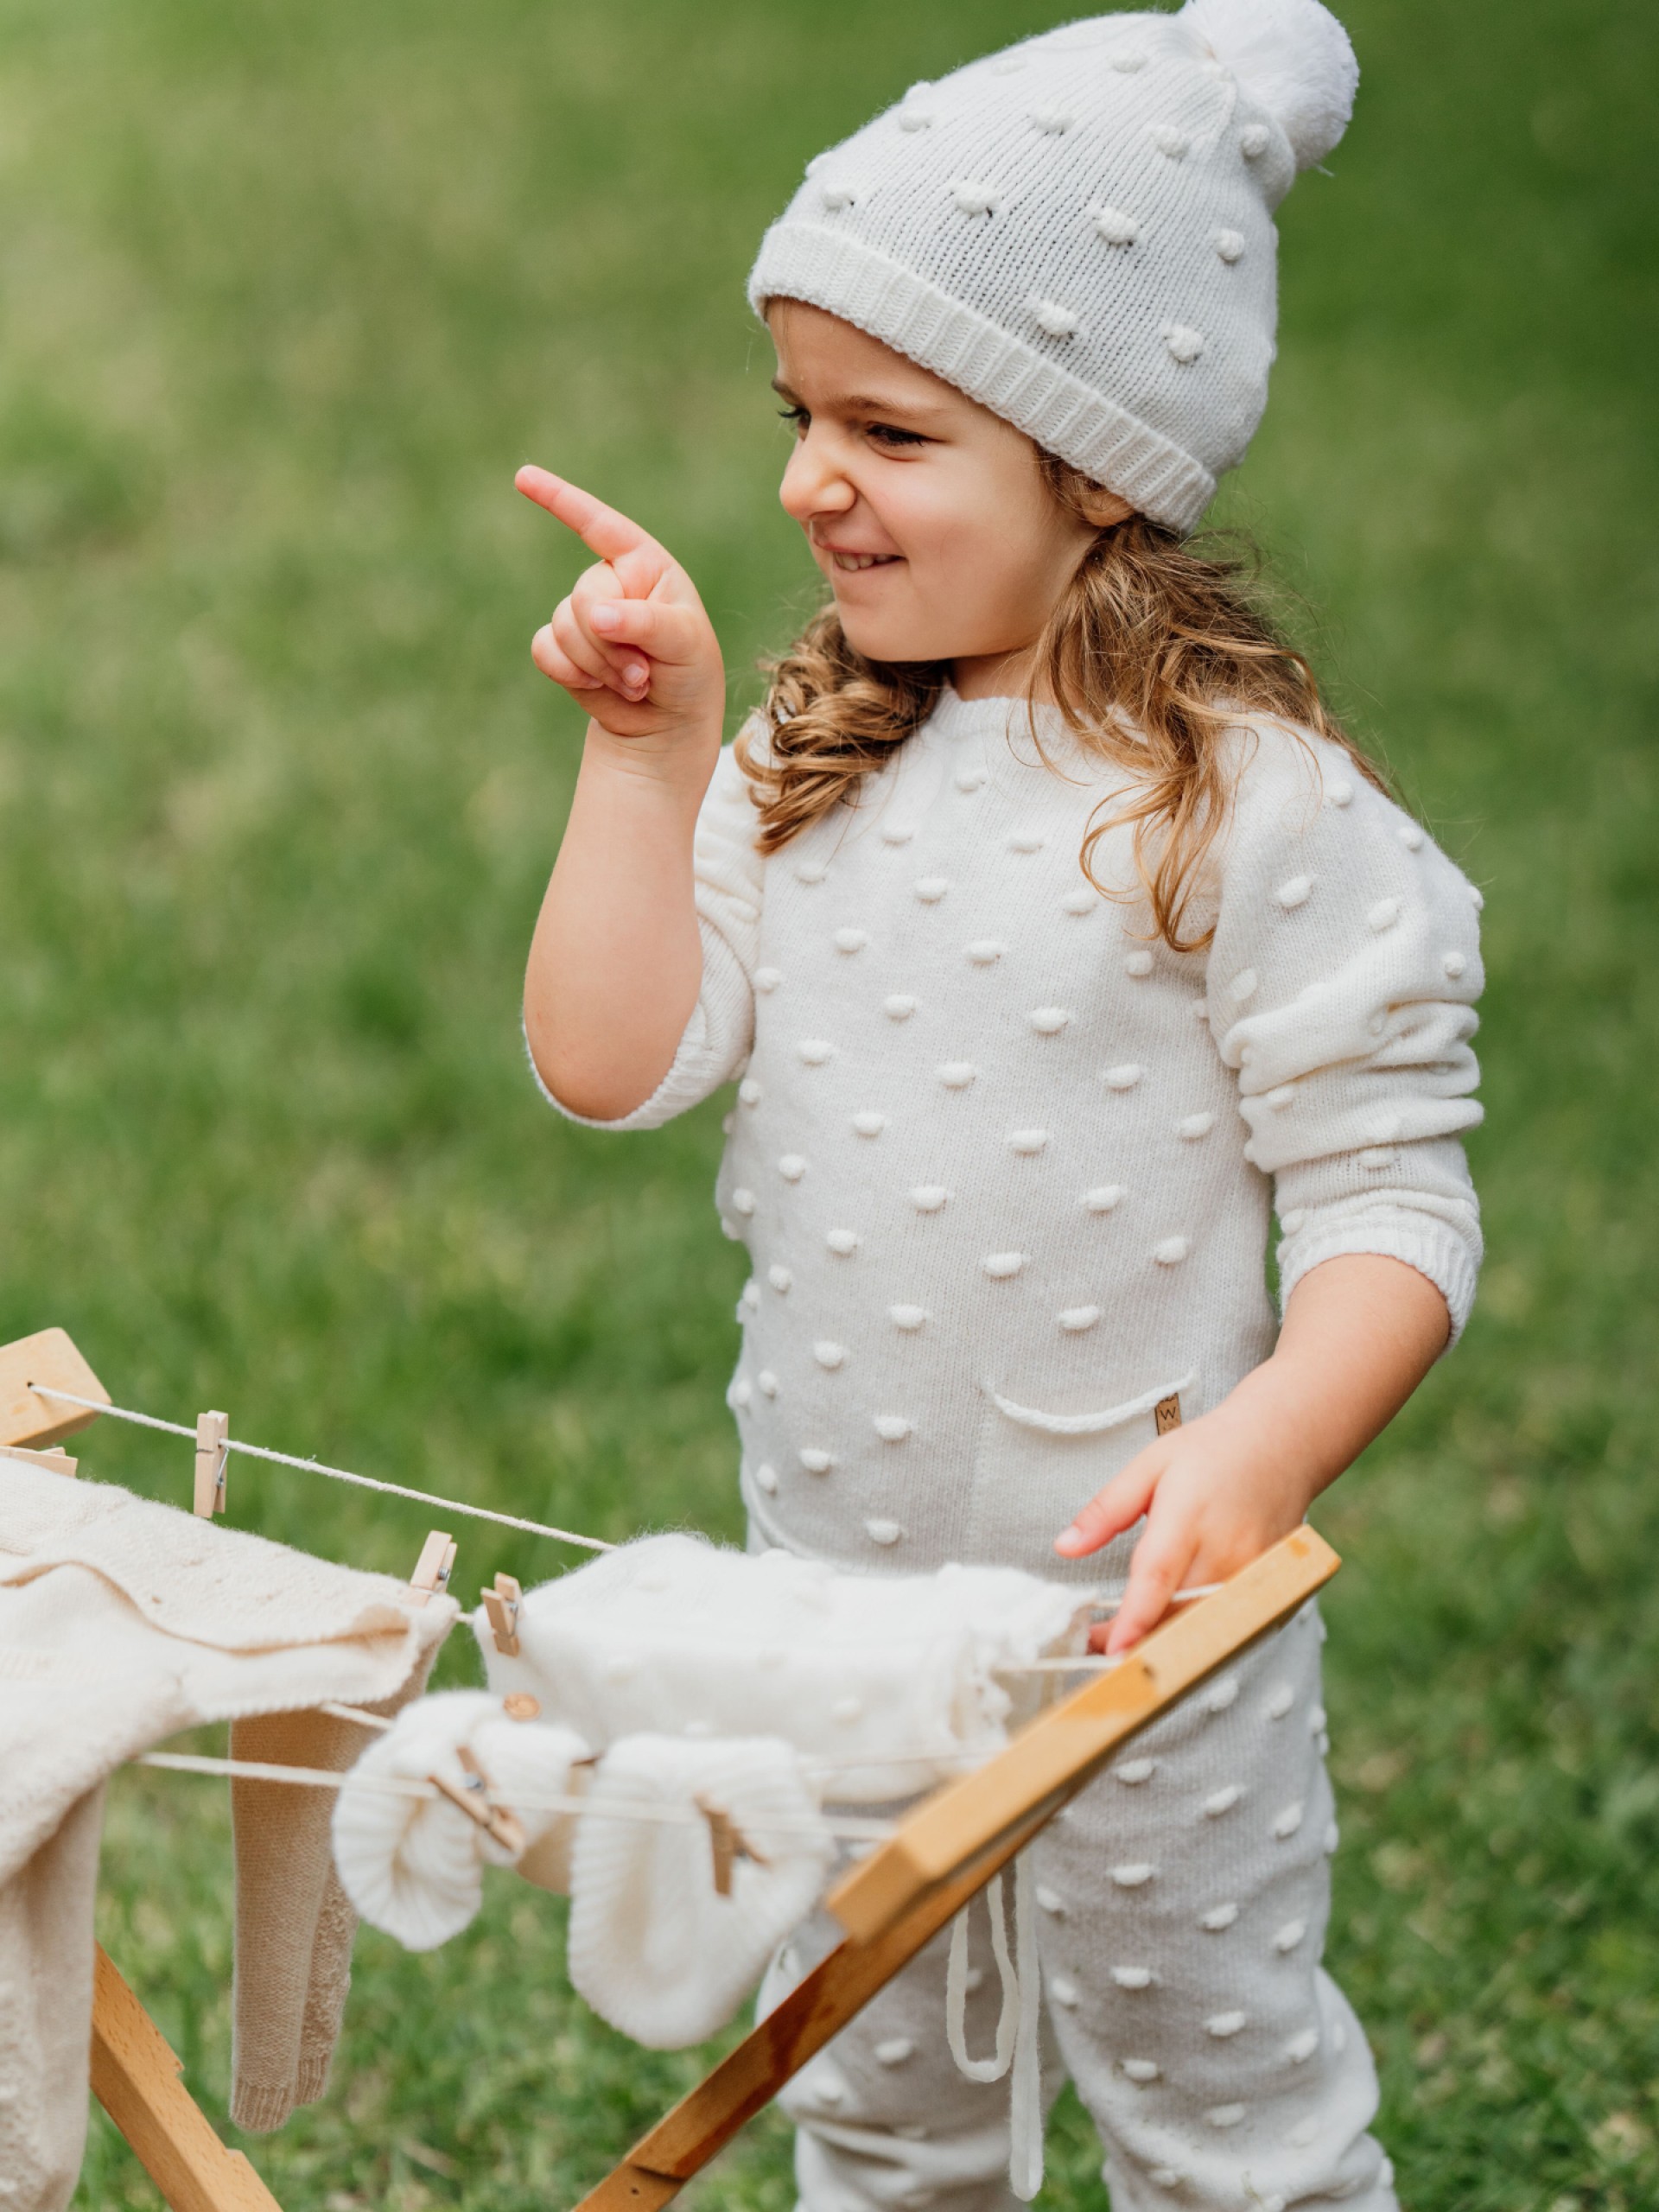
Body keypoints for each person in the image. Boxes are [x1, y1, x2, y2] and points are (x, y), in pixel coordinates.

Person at [515, 3, 1483, 2204]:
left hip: (1151, 1641)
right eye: (799, 415)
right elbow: (608, 1059)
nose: (805, 479)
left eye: (894, 428)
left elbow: (1393, 1200)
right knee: (880, 2106)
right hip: (837, 1621)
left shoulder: (1243, 810)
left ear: (1097, 453)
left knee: (1227, 2118)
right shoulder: (806, 762)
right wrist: (645, 764)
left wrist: (1268, 1437)